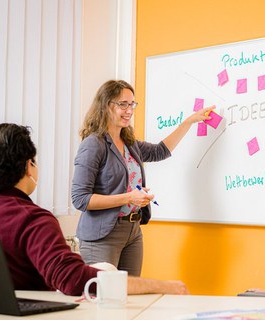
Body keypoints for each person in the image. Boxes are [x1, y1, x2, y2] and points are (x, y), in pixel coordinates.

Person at [0, 123, 188, 296]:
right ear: (29, 166)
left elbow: (159, 150)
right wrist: (163, 286)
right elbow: (73, 280)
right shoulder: (34, 220)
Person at [71, 80, 214, 276]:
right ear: (105, 105)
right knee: (103, 298)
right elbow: (81, 199)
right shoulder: (94, 144)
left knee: (131, 296)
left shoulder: (129, 144)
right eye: (123, 104)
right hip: (102, 235)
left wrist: (188, 122)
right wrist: (129, 197)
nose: (129, 110)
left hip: (132, 230)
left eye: (132, 104)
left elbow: (160, 151)